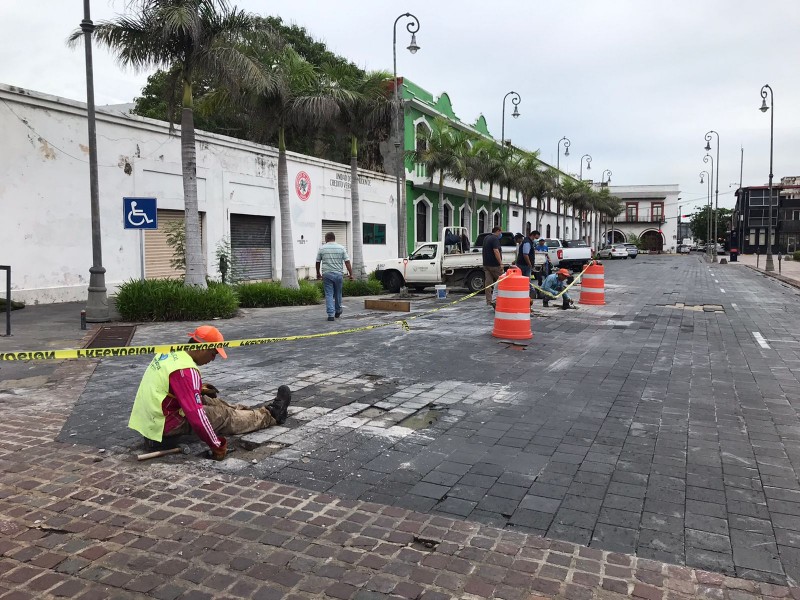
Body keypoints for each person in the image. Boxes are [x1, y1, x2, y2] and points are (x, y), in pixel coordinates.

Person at [128, 326, 291, 461]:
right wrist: (217, 445)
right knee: (223, 415)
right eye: (213, 354)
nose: (213, 359)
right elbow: (197, 416)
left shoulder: (170, 353)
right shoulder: (186, 370)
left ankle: (252, 413)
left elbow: (168, 387)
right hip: (165, 424)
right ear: (202, 347)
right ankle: (272, 415)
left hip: (152, 418)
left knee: (211, 401)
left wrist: (198, 389)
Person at [316, 232, 354, 321]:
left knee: (329, 294)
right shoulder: (341, 248)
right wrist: (351, 274)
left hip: (327, 274)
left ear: (326, 239)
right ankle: (338, 310)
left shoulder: (322, 248)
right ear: (334, 238)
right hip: (338, 274)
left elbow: (318, 262)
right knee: (338, 293)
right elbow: (347, 261)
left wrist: (318, 273)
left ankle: (330, 315)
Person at [482, 226, 504, 307]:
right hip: (495, 265)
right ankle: (501, 299)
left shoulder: (486, 238)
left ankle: (489, 301)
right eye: (500, 232)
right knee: (503, 281)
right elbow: (496, 251)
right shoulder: (495, 239)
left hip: (486, 264)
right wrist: (501, 263)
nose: (501, 234)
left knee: (488, 283)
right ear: (498, 231)